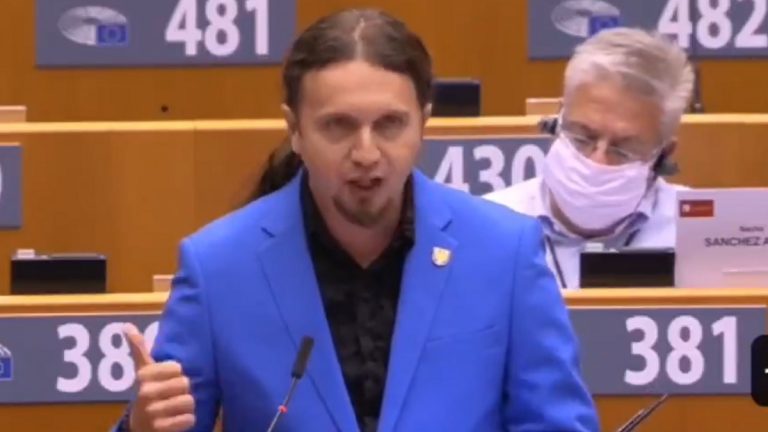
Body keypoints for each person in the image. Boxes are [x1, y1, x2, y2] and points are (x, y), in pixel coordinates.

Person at [114, 8, 598, 432]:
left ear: (424, 124)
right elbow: (171, 421)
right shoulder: (218, 266)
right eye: (338, 126)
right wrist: (143, 427)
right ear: (295, 131)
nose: (366, 153)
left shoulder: (505, 251)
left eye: (389, 125)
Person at [485, 28, 694, 290]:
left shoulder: (701, 233)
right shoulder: (484, 227)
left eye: (623, 150)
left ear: (663, 154)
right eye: (583, 137)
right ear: (558, 120)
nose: (597, 161)